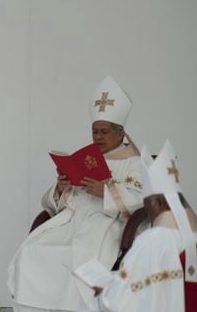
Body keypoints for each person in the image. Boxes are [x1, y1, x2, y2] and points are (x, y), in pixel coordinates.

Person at [8, 76, 144, 311]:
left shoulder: (134, 163)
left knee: (79, 257)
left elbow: (143, 201)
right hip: (71, 221)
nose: (98, 137)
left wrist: (106, 192)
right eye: (94, 131)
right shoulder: (88, 157)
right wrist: (62, 187)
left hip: (106, 224)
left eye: (104, 132)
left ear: (120, 134)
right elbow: (53, 205)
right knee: (32, 251)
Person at [80, 140, 197, 312]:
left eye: (146, 202)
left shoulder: (152, 241)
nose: (146, 208)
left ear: (158, 202)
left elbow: (119, 301)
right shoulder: (192, 235)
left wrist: (103, 292)